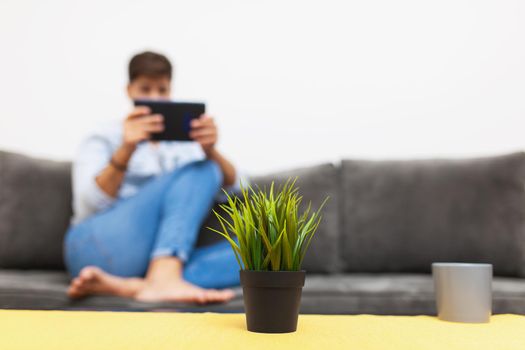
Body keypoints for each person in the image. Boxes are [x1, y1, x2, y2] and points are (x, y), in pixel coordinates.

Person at [64, 51, 243, 304]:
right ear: (129, 91)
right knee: (203, 169)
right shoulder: (104, 135)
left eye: (162, 90)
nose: (155, 98)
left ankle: (143, 284)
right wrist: (126, 149)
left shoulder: (188, 145)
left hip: (150, 259)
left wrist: (211, 151)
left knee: (259, 254)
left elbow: (238, 190)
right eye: (145, 89)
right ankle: (163, 278)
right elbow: (88, 205)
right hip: (97, 246)